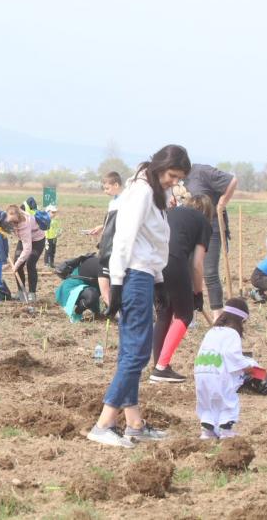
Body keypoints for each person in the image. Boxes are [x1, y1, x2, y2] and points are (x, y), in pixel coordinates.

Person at [87, 144, 191, 448]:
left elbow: (152, 243)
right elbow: (124, 238)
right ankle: (104, 423)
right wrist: (117, 283)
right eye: (172, 175)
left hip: (144, 275)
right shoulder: (143, 191)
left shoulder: (155, 191)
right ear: (161, 166)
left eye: (179, 178)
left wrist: (158, 280)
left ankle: (134, 424)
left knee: (132, 352)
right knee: (136, 353)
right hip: (132, 276)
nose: (174, 182)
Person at [149, 194, 213, 383]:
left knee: (164, 314)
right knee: (185, 315)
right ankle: (162, 367)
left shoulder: (171, 212)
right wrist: (198, 293)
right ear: (207, 212)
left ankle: (158, 367)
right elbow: (197, 264)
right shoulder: (203, 222)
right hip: (174, 262)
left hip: (152, 262)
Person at [194, 298, 258, 440]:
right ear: (239, 320)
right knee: (226, 399)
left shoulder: (212, 332)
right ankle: (225, 429)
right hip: (218, 374)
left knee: (207, 401)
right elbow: (232, 355)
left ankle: (207, 430)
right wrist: (248, 367)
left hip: (202, 371)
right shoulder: (232, 334)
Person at [182, 164, 238, 319]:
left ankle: (218, 316)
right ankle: (189, 314)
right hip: (188, 225)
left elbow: (232, 180)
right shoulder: (176, 180)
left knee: (209, 271)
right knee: (186, 269)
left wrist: (221, 204)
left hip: (210, 224)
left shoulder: (201, 171)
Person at [93, 172, 124, 308]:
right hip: (108, 244)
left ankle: (116, 308)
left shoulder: (125, 201)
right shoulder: (113, 202)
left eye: (107, 188)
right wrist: (102, 227)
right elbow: (111, 223)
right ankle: (112, 307)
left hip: (116, 246)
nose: (105, 191)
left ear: (116, 185)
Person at [6, 204, 46, 302]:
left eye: (14, 222)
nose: (12, 224)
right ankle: (21, 292)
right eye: (11, 222)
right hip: (24, 239)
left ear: (18, 219)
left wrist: (15, 265)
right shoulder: (11, 215)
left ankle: (32, 293)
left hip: (37, 240)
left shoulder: (25, 225)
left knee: (30, 263)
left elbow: (27, 249)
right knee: (18, 264)